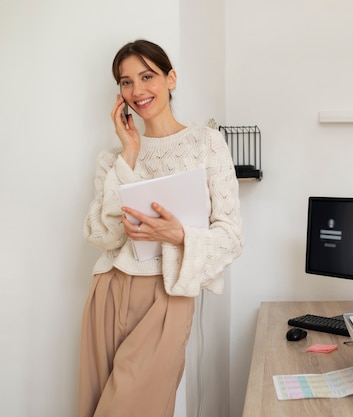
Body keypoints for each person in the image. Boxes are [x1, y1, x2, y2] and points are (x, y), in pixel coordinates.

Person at [78, 39, 243, 417]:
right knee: (95, 405)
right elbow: (102, 236)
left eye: (147, 76)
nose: (137, 91)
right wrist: (130, 156)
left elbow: (232, 238)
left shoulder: (206, 143)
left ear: (171, 79)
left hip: (168, 295)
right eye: (125, 82)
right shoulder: (115, 156)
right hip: (109, 289)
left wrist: (180, 235)